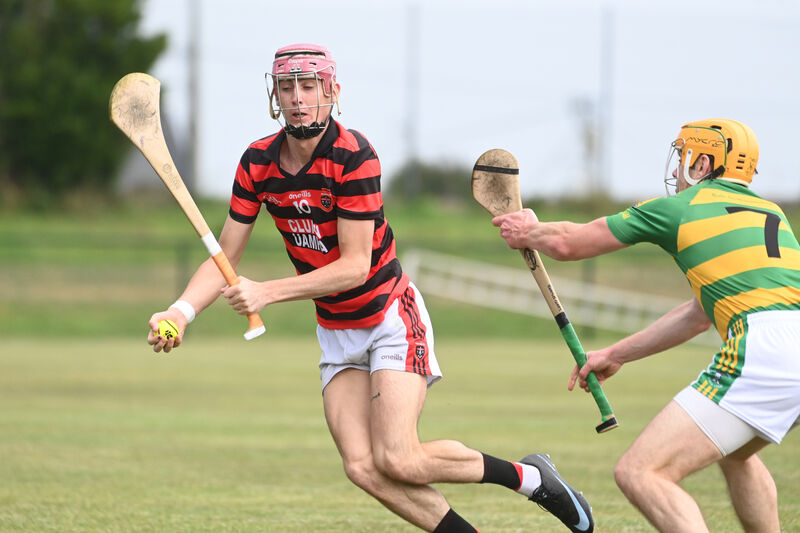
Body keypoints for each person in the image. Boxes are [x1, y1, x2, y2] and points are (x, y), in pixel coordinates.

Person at [146, 43, 594, 533]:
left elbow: (356, 266)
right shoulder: (257, 161)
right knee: (361, 466)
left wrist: (268, 292)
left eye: (309, 85)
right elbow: (225, 256)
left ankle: (532, 478)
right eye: (287, 86)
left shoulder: (353, 154)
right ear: (275, 95)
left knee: (399, 458)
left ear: (331, 92)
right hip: (337, 330)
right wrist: (180, 313)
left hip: (389, 316)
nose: (297, 97)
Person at [492, 118, 800, 533]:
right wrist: (616, 354)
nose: (677, 170)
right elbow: (697, 314)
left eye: (684, 157)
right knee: (737, 454)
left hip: (763, 348)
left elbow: (571, 242)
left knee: (641, 473)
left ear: (704, 162)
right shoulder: (772, 213)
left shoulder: (681, 207)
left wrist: (530, 231)